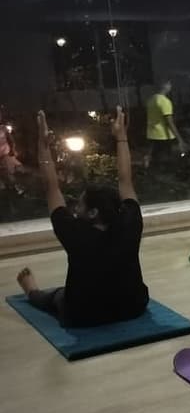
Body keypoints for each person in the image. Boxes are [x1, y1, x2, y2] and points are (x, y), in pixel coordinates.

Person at [16, 108, 149, 326]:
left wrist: (42, 146)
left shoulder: (75, 233)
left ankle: (31, 290)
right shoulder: (129, 223)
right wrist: (121, 137)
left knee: (56, 296)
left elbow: (51, 188)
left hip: (84, 314)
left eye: (80, 204)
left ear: (94, 213)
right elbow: (126, 181)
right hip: (133, 306)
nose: (75, 208)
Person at [145, 79, 183, 166]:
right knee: (165, 162)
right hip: (164, 136)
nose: (170, 87)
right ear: (165, 86)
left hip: (152, 134)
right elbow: (169, 122)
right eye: (169, 85)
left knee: (154, 161)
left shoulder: (150, 100)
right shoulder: (165, 102)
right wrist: (180, 139)